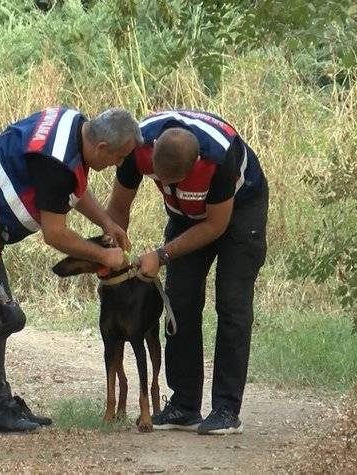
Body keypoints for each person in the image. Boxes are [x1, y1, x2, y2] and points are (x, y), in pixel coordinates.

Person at [0, 106, 141, 432]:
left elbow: (75, 188)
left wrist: (106, 221)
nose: (118, 165)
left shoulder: (73, 124)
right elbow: (56, 233)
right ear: (102, 148)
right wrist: (104, 257)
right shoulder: (57, 162)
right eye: (119, 158)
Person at [107, 110, 268, 435]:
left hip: (239, 211)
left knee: (232, 304)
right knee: (178, 301)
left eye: (172, 181)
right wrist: (114, 250)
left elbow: (215, 226)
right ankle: (184, 404)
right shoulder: (136, 145)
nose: (163, 185)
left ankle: (225, 409)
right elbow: (119, 206)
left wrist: (162, 254)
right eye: (158, 178)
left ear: (194, 166)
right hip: (184, 213)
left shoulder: (219, 157)